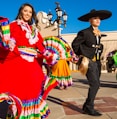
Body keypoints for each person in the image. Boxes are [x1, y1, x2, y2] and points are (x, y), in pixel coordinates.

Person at [0, 3, 58, 119]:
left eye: (30, 12)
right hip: (18, 64)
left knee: (33, 91)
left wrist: (48, 55)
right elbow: (6, 42)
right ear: (21, 12)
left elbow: (41, 47)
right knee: (17, 91)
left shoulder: (34, 30)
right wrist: (10, 45)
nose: (27, 13)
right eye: (25, 11)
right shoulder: (13, 26)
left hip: (33, 67)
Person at [72, 9, 112, 116]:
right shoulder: (84, 32)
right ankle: (89, 107)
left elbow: (97, 46)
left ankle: (86, 105)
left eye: (99, 18)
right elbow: (75, 45)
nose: (98, 20)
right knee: (95, 84)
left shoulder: (98, 33)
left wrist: (100, 47)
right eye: (95, 18)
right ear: (90, 20)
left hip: (97, 62)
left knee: (96, 84)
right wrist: (83, 55)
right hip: (88, 61)